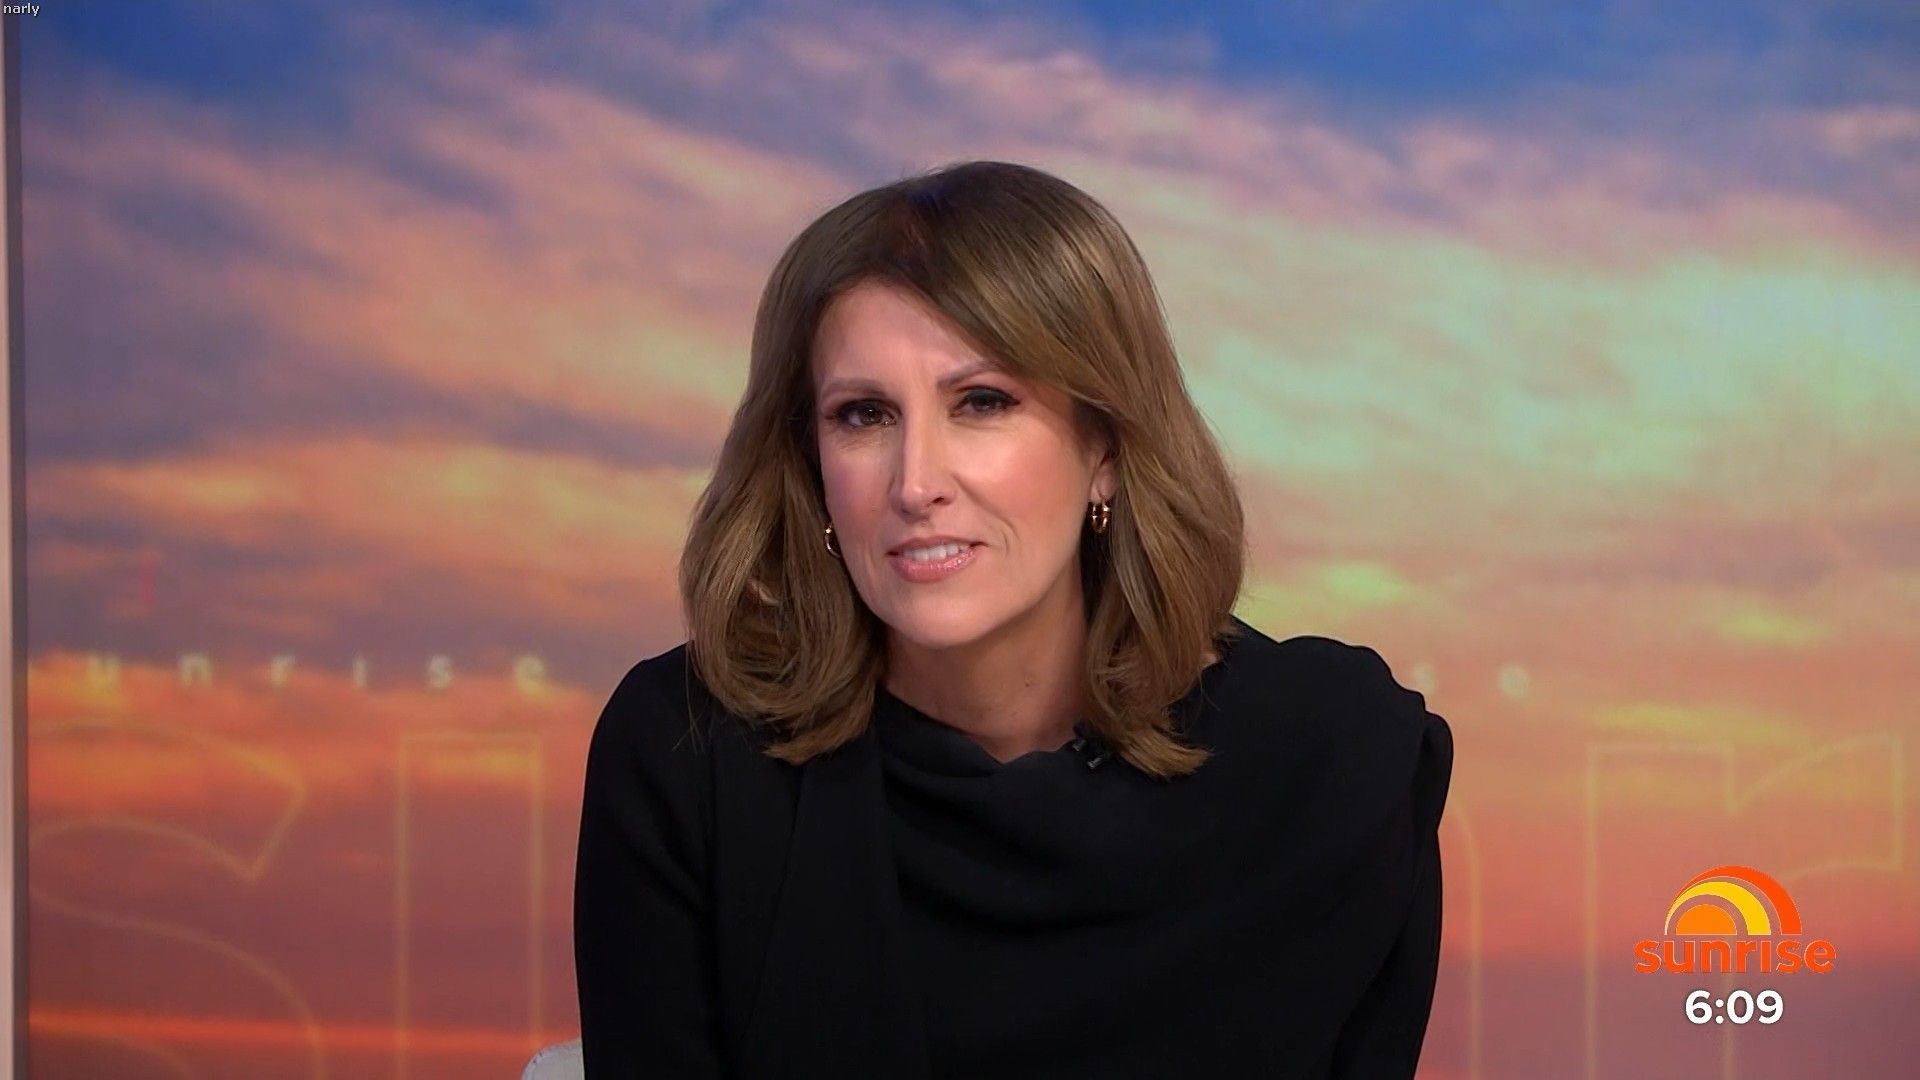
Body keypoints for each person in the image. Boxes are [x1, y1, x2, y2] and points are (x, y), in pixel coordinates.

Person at [573, 160, 1454, 1078]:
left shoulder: (1340, 767)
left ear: (1105, 447)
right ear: (811, 463)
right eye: (864, 415)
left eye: (982, 402)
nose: (916, 483)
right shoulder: (688, 757)